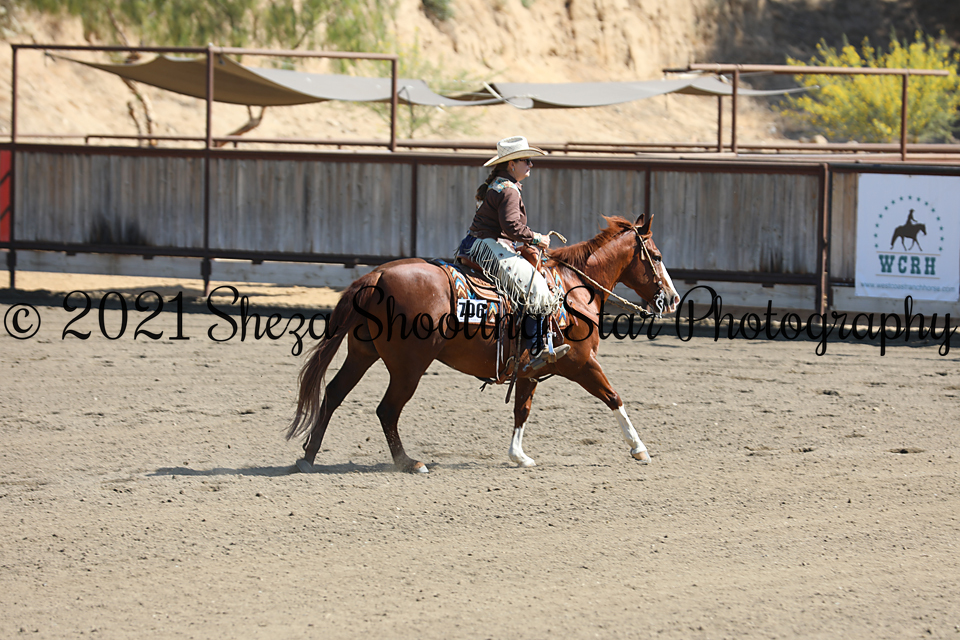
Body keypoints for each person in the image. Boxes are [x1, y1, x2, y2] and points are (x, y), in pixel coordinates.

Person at [455, 135, 569, 372]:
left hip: (477, 244)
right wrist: (537, 238)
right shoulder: (509, 190)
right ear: (511, 164)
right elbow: (511, 227)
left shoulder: (498, 185)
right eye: (526, 160)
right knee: (536, 287)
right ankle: (536, 349)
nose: (530, 164)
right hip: (487, 246)